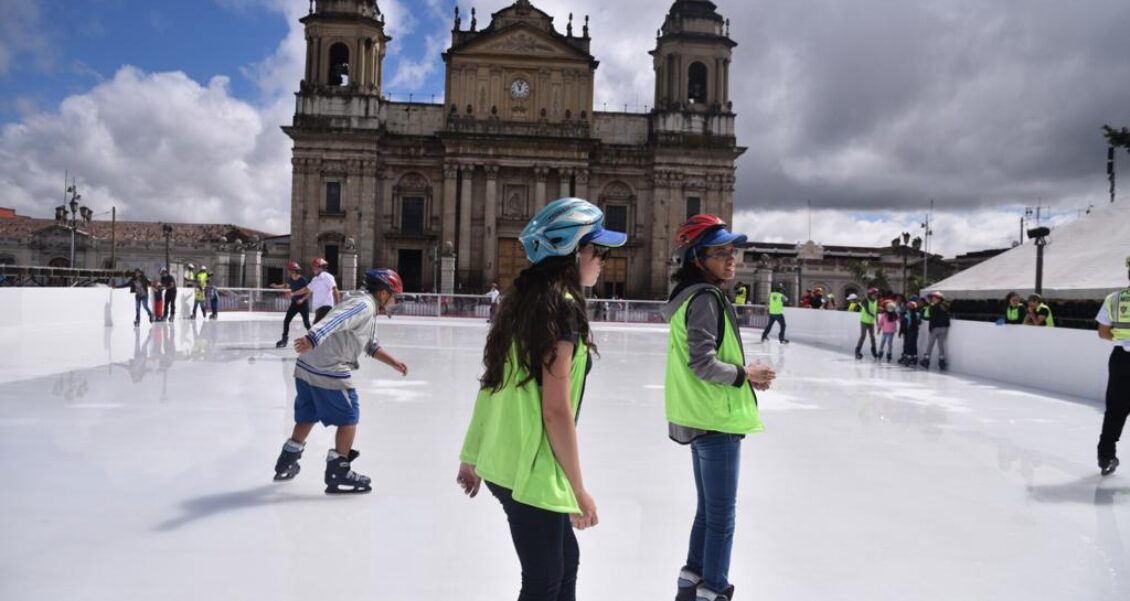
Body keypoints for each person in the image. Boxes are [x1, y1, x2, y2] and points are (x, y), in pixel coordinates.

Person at [456, 198, 626, 601]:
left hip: (506, 464)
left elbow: (491, 385)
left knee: (564, 566)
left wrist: (472, 454)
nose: (601, 260)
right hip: (531, 470)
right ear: (570, 253)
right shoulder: (562, 310)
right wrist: (578, 489)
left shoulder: (522, 304)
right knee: (545, 580)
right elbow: (555, 409)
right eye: (595, 250)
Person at [658, 214, 773, 601]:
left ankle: (690, 584)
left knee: (708, 512)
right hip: (715, 419)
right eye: (720, 252)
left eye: (732, 251)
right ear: (696, 258)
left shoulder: (689, 296)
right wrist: (747, 374)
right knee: (722, 518)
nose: (731, 259)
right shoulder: (705, 298)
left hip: (699, 416)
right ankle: (715, 589)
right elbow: (703, 362)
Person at [272, 268, 408, 493]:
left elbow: (369, 344)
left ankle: (287, 460)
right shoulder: (364, 305)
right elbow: (338, 318)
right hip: (328, 366)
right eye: (394, 295)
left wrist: (393, 362)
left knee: (310, 413)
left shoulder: (365, 307)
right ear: (383, 293)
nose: (395, 301)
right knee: (349, 416)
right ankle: (339, 471)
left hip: (307, 366)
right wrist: (312, 337)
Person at [1095, 256, 1130, 476]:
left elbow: (1103, 333)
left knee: (1115, 411)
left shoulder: (1114, 299)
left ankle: (1106, 457)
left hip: (1121, 360)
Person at [272, 261, 311, 348]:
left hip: (303, 304)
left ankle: (314, 339)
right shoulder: (291, 279)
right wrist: (276, 286)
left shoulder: (303, 280)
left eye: (290, 270)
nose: (289, 272)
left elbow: (309, 291)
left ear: (293, 271)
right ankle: (284, 339)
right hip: (294, 304)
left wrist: (302, 299)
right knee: (286, 320)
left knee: (306, 323)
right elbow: (286, 285)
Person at [298, 258, 340, 324]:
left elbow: (335, 289)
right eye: (312, 266)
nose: (313, 268)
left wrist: (338, 305)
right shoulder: (315, 279)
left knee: (315, 328)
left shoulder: (327, 277)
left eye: (315, 266)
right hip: (318, 309)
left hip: (326, 307)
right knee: (321, 330)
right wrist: (293, 293)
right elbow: (306, 289)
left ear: (321, 267)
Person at [920, 291, 951, 371]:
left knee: (930, 344)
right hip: (944, 328)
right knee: (941, 345)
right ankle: (942, 361)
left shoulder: (933, 307)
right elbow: (947, 317)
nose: (932, 299)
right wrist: (946, 326)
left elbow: (931, 318)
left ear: (938, 299)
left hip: (935, 328)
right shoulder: (945, 306)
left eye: (934, 298)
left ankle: (926, 360)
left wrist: (930, 328)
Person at [854, 288, 879, 360]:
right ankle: (857, 351)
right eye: (875, 294)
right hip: (864, 321)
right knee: (863, 336)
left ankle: (874, 351)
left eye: (876, 294)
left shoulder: (876, 301)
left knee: (872, 337)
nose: (876, 296)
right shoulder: (865, 300)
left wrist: (877, 320)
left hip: (871, 322)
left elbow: (876, 310)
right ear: (871, 294)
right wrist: (872, 315)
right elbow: (867, 310)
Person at [899, 300, 922, 366]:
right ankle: (911, 357)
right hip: (910, 331)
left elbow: (918, 322)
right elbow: (903, 322)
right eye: (908, 306)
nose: (908, 307)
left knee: (910, 344)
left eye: (910, 306)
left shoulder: (912, 314)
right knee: (911, 344)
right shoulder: (908, 314)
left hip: (911, 331)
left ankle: (909, 357)